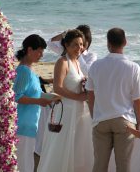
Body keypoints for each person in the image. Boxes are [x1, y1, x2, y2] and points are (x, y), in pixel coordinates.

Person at [86, 27, 140, 172]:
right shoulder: (133, 67)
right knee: (123, 165)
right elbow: (138, 100)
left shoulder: (96, 65)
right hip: (124, 120)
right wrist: (138, 123)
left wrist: (95, 115)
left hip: (101, 119)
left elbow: (90, 95)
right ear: (125, 42)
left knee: (99, 164)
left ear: (108, 43)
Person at [37, 29, 93, 172]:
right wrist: (79, 97)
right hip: (66, 111)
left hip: (79, 110)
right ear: (66, 45)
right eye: (75, 45)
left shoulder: (77, 63)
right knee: (62, 146)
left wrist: (84, 88)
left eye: (81, 44)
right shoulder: (62, 62)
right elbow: (58, 87)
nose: (79, 48)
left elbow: (75, 84)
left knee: (77, 146)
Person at [13, 34, 55, 172]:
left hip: (30, 124)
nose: (41, 55)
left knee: (27, 163)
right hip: (23, 124)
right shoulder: (24, 71)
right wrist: (39, 101)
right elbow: (17, 96)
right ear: (29, 50)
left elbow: (34, 93)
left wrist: (48, 98)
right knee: (23, 164)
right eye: (39, 51)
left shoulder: (30, 70)